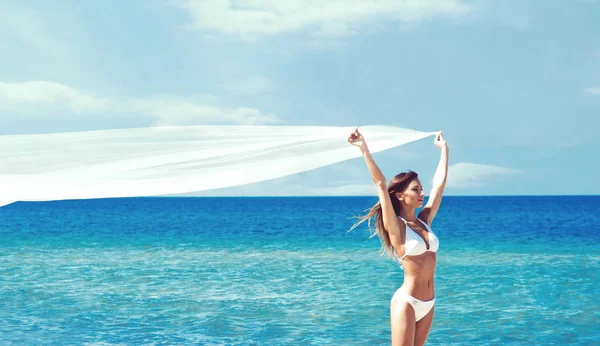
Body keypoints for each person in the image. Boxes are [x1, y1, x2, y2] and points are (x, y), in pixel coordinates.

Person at [348, 127, 449, 346]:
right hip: (407, 302)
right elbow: (380, 184)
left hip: (429, 302)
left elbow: (439, 187)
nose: (422, 193)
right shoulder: (396, 226)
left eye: (421, 189)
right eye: (416, 189)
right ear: (401, 195)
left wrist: (444, 151)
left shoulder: (424, 220)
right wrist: (364, 148)